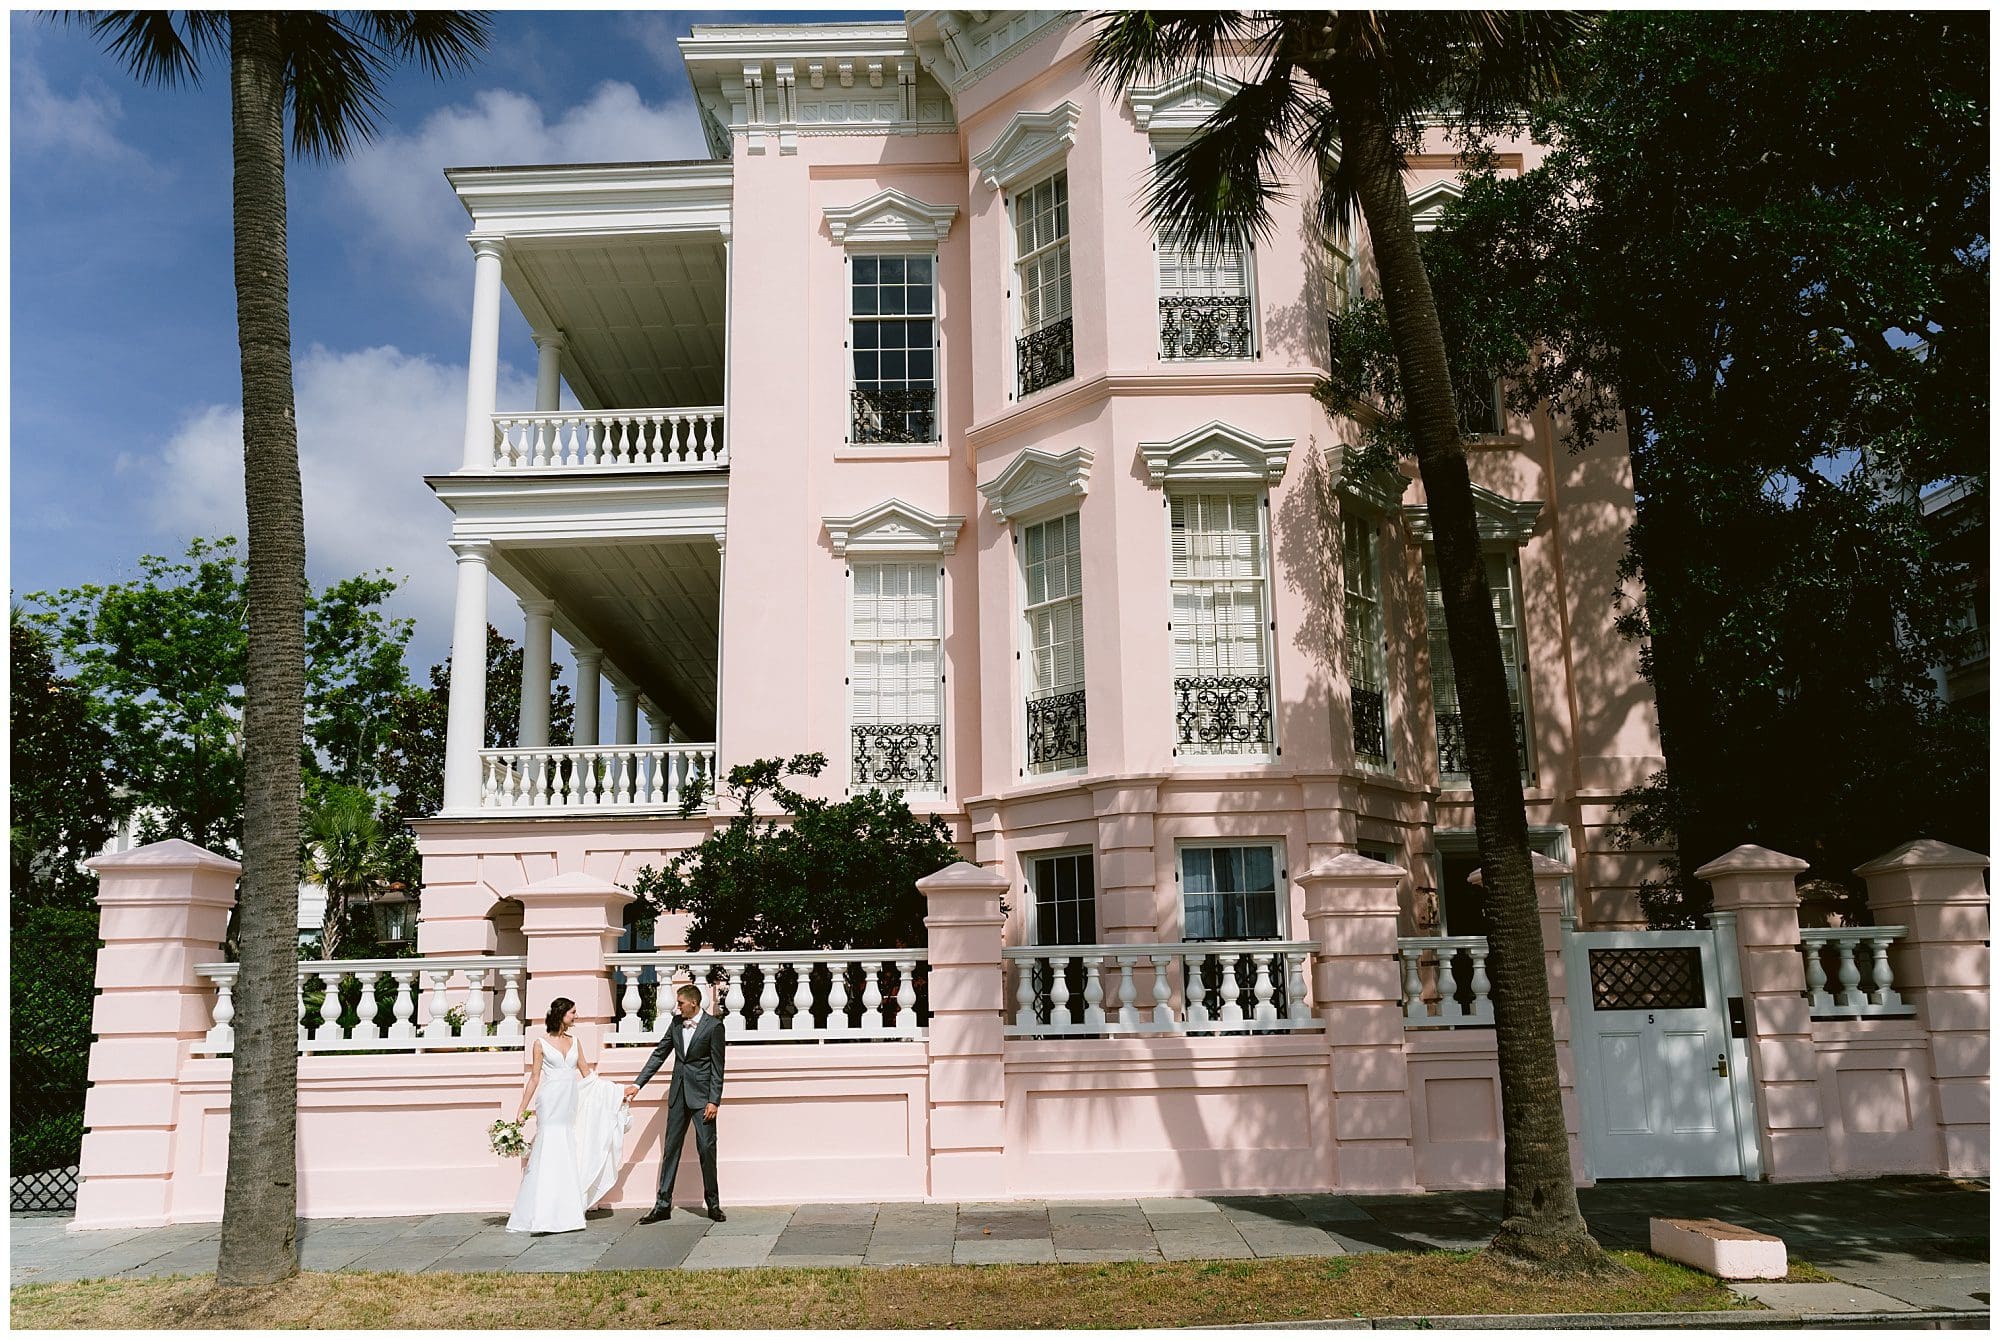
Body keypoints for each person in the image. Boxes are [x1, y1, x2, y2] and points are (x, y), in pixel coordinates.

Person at [505, 997, 628, 1234]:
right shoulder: (540, 1043)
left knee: (567, 1148)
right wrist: (522, 1108)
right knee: (548, 1148)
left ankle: (565, 1211)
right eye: (572, 1012)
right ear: (561, 1014)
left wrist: (615, 1092)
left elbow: (588, 1075)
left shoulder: (575, 1042)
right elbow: (534, 1078)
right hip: (550, 1102)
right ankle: (541, 1212)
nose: (576, 1016)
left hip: (569, 1103)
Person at [624, 981, 726, 1222]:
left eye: (680, 1004)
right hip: (678, 1095)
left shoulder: (714, 1027)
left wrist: (714, 1100)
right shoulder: (676, 1024)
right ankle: (662, 1205)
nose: (677, 1008)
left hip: (703, 1098)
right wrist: (638, 1084)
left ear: (693, 1003)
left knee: (707, 1149)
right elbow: (659, 1053)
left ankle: (713, 1204)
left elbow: (718, 1067)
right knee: (671, 1150)